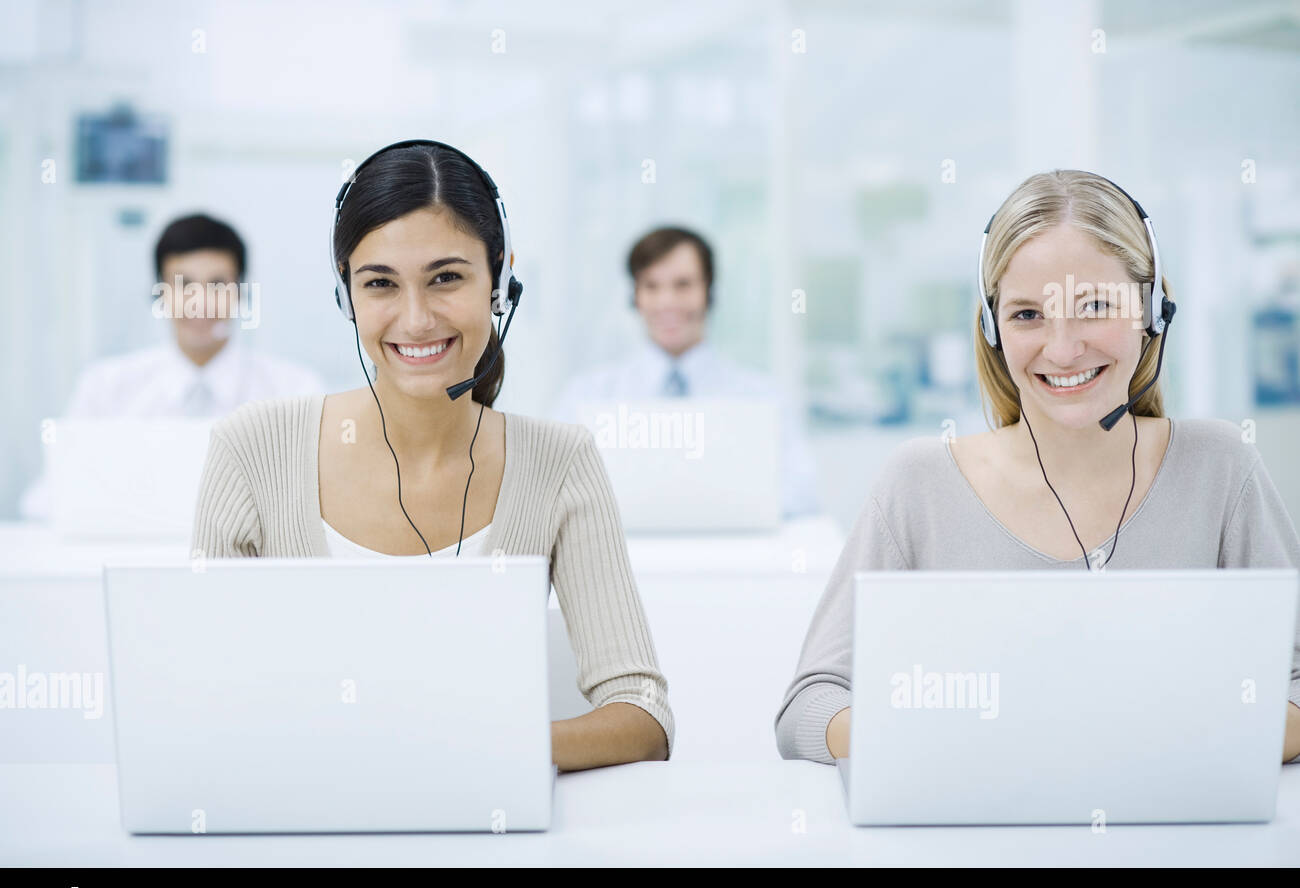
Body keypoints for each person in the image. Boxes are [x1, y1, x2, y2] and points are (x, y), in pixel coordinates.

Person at [775, 169, 1300, 765]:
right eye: (1027, 315)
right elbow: (808, 707)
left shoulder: (1220, 469)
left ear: (1152, 311)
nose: (1063, 349)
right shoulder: (919, 485)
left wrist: (1161, 740)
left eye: (1095, 306)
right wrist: (961, 744)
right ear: (991, 327)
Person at [190, 140, 673, 772]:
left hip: (490, 818)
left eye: (446, 278)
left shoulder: (559, 462)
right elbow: (200, 698)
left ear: (499, 282)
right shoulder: (253, 450)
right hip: (304, 814)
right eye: (380, 284)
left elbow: (643, 713)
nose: (416, 319)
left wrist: (475, 749)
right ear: (346, 295)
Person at [18, 213, 324, 519]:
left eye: (217, 285)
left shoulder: (294, 391)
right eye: (184, 284)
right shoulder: (106, 387)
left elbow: (319, 501)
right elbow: (46, 499)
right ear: (160, 293)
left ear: (241, 292)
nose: (200, 302)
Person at [551, 226, 820, 517]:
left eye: (683, 285)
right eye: (651, 286)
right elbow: (550, 486)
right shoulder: (586, 396)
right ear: (636, 297)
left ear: (709, 292)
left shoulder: (763, 397)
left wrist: (711, 509)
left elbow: (802, 490)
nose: (667, 302)